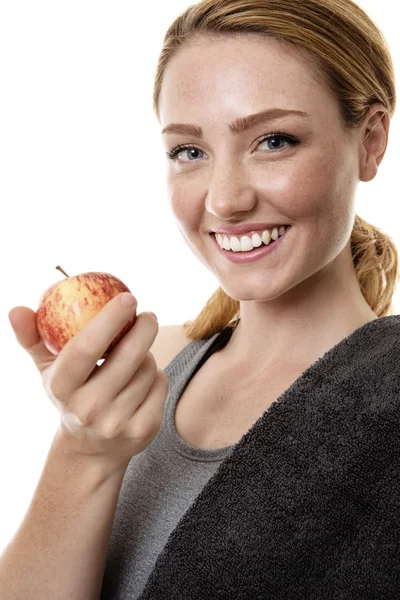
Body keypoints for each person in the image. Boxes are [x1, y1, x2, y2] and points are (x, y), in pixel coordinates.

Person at [1, 0, 399, 598]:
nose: (224, 201)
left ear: (370, 142)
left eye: (273, 141)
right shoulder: (145, 369)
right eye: (189, 151)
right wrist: (84, 455)